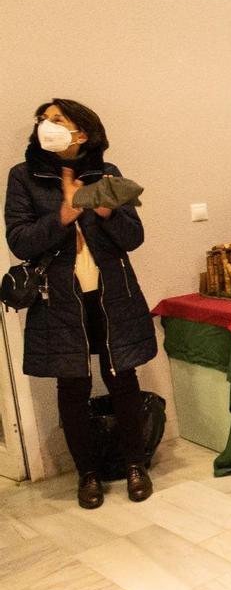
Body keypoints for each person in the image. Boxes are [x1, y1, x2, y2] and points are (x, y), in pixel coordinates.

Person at [5, 99, 157, 509]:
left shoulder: (107, 174)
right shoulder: (23, 177)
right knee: (72, 386)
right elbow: (19, 240)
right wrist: (65, 214)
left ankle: (135, 466)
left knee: (122, 378)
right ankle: (87, 475)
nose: (45, 126)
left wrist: (107, 212)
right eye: (43, 120)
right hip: (58, 300)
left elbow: (133, 238)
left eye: (56, 120)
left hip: (112, 294)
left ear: (82, 133)